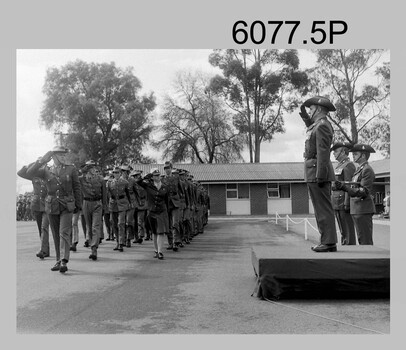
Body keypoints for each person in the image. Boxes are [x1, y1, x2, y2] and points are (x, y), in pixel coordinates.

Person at [25, 146, 82, 273]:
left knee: (64, 233)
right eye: (60, 155)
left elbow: (77, 187)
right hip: (51, 205)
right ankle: (58, 259)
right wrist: (43, 160)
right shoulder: (46, 170)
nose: (63, 157)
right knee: (56, 234)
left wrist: (78, 205)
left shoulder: (71, 169)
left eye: (64, 155)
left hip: (67, 205)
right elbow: (29, 172)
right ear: (53, 157)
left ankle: (64, 260)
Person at [300, 96, 337, 252]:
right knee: (320, 208)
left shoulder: (322, 126)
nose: (310, 111)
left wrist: (320, 175)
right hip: (314, 169)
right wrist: (304, 116)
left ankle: (328, 242)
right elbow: (311, 128)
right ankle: (327, 241)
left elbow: (323, 152)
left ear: (319, 109)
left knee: (323, 209)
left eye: (312, 109)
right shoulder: (318, 125)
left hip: (317, 170)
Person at [335, 144, 376, 245]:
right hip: (357, 208)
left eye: (356, 154)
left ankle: (368, 259)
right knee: (361, 239)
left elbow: (364, 191)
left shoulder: (367, 169)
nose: (353, 156)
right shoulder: (359, 169)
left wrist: (345, 188)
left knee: (365, 240)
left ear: (363, 156)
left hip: (363, 208)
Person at [17, 163, 50, 259]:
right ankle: (45, 250)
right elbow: (20, 173)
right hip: (37, 205)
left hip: (48, 204)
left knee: (45, 227)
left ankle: (47, 250)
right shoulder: (33, 175)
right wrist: (33, 164)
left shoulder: (48, 174)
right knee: (41, 228)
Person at [135, 168, 169, 260]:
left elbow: (167, 200)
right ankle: (156, 250)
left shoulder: (165, 187)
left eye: (158, 175)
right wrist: (145, 177)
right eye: (155, 176)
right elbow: (138, 181)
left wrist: (167, 212)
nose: (157, 177)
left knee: (160, 232)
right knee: (154, 232)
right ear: (152, 177)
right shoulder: (148, 185)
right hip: (151, 211)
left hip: (161, 211)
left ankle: (160, 251)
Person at [79, 161, 107, 260]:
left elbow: (104, 194)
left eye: (93, 168)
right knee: (89, 227)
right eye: (90, 168)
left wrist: (105, 207)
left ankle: (94, 248)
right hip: (86, 203)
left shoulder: (101, 179)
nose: (93, 170)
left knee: (95, 226)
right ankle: (92, 247)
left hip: (97, 204)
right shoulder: (82, 179)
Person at [330, 142, 357, 245]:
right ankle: (346, 247)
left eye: (336, 151)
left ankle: (350, 249)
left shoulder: (349, 165)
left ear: (343, 152)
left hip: (343, 202)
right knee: (342, 230)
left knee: (348, 230)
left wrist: (347, 203)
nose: (334, 153)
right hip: (336, 201)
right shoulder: (339, 165)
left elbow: (349, 185)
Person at [107, 166, 131, 252]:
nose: (116, 174)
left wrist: (129, 203)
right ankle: (117, 241)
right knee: (114, 224)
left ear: (120, 173)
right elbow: (108, 194)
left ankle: (121, 243)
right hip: (113, 204)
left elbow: (128, 194)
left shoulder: (125, 182)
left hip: (122, 204)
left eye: (117, 172)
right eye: (114, 172)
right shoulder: (110, 183)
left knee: (121, 223)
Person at [162, 161, 184, 251]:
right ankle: (170, 242)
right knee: (168, 224)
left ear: (171, 168)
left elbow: (181, 191)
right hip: (166, 203)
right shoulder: (162, 179)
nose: (167, 170)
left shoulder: (176, 178)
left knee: (175, 223)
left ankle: (175, 242)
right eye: (165, 168)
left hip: (175, 202)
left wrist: (181, 203)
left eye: (168, 168)